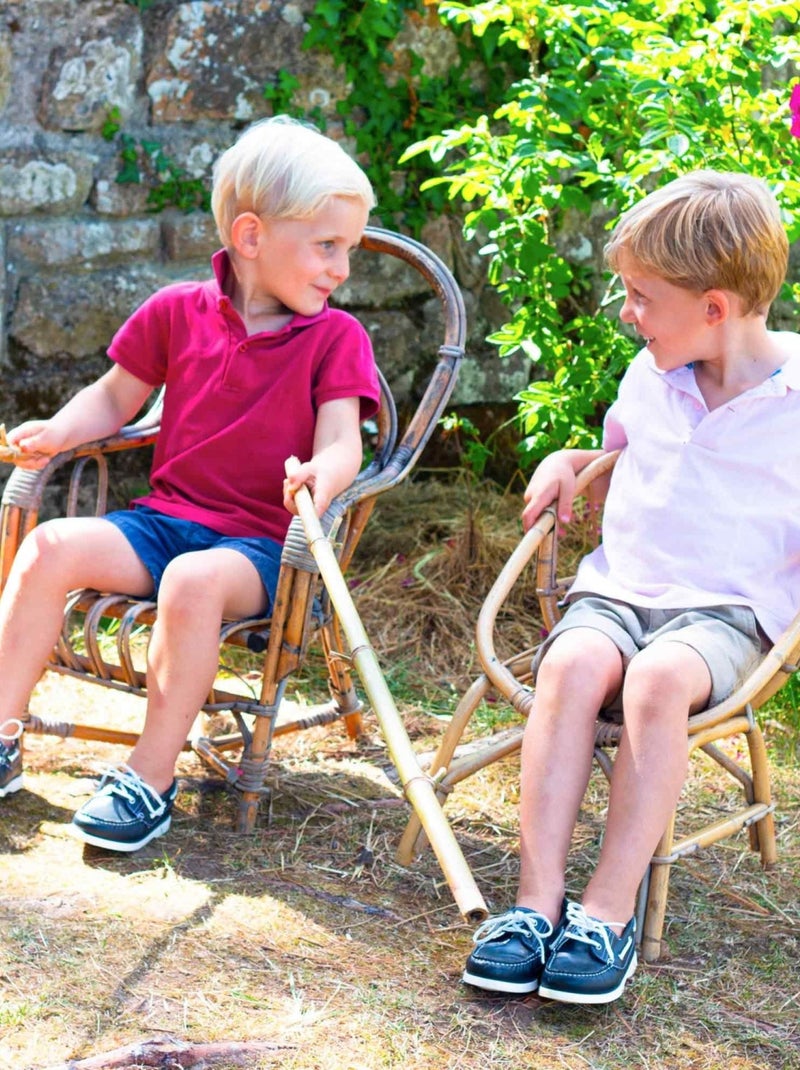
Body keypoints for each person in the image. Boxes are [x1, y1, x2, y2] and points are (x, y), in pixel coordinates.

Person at [462, 169, 800, 1004]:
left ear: (714, 307)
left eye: (642, 297)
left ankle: (605, 916)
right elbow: (610, 455)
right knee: (572, 667)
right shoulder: (652, 375)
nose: (626, 313)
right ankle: (533, 908)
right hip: (620, 590)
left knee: (655, 680)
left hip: (727, 613)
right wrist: (564, 463)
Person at [0, 116, 381, 852]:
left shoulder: (338, 339)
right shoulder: (177, 311)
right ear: (250, 237)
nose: (341, 268)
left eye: (349, 251)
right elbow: (116, 399)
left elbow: (344, 445)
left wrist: (319, 476)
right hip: (164, 521)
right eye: (326, 246)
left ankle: (149, 777)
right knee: (48, 547)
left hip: (261, 549)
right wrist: (58, 429)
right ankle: (2, 734)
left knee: (193, 582)